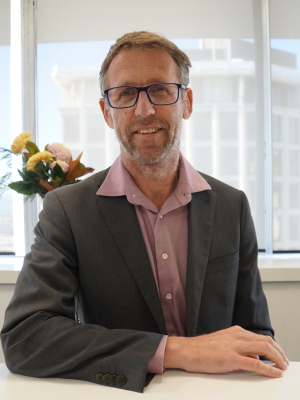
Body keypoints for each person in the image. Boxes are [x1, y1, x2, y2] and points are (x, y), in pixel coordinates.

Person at [1, 31, 288, 393]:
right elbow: (25, 336)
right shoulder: (67, 210)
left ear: (186, 102)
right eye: (125, 94)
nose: (145, 109)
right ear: (107, 112)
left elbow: (255, 337)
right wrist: (176, 351)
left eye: (160, 90)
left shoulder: (233, 206)